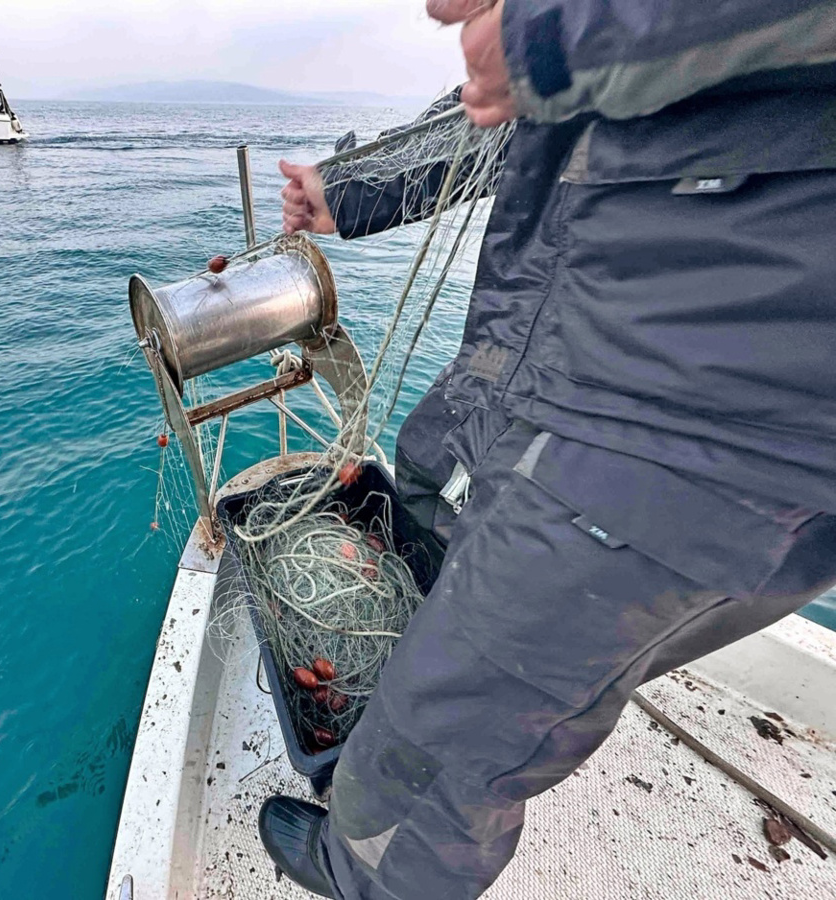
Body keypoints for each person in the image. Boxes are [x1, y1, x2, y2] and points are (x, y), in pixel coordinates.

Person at [257, 1, 836, 898]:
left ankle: (369, 873)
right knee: (428, 487)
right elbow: (510, 121)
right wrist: (347, 191)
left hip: (700, 390)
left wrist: (543, 33)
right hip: (569, 342)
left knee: (462, 706)